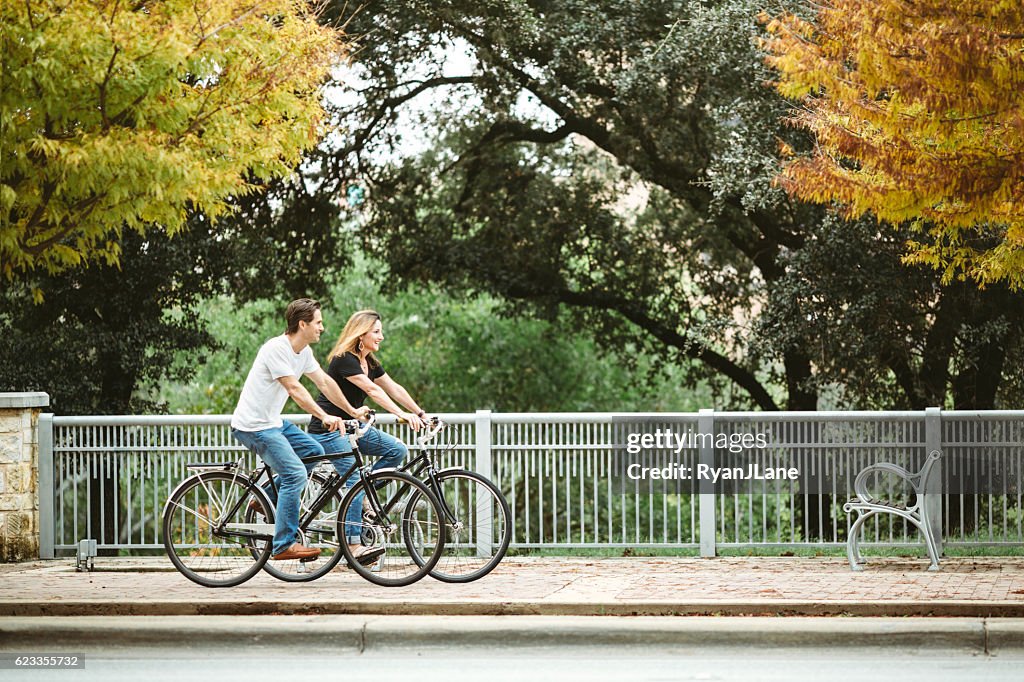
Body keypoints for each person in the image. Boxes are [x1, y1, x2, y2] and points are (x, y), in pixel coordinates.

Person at [230, 298, 370, 562]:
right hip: (253, 426)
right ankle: (283, 544)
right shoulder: (276, 349)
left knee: (313, 450)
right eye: (318, 323)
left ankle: (266, 497)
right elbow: (295, 389)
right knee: (295, 474)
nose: (322, 328)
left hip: (272, 421)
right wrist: (324, 415)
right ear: (302, 324)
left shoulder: (303, 352)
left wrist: (351, 411)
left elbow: (324, 383)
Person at [308, 310, 428, 558]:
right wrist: (401, 415)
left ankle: (363, 497)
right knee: (354, 481)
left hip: (353, 429)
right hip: (329, 431)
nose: (381, 337)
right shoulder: (344, 359)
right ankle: (353, 544)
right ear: (360, 334)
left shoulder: (369, 361)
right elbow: (372, 391)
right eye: (376, 332)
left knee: (397, 450)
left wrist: (420, 412)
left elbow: (392, 387)